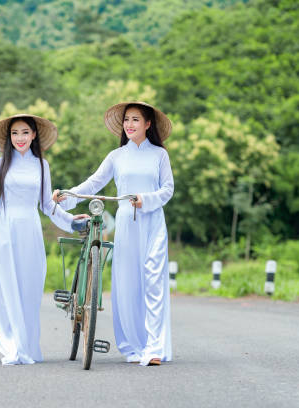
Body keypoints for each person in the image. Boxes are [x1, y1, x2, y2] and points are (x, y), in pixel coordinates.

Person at [53, 102, 174, 366]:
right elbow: (94, 183)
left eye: (136, 119)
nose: (129, 124)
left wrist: (146, 199)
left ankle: (154, 347)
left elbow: (168, 190)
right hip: (126, 224)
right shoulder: (116, 156)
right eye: (127, 120)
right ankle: (132, 346)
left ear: (148, 124)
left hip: (152, 222)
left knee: (153, 282)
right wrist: (65, 198)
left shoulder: (159, 155)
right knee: (127, 284)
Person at [0, 114, 86, 365]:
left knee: (29, 286)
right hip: (3, 227)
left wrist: (70, 221)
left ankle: (27, 344)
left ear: (34, 135)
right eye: (14, 133)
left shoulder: (41, 166)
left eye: (25, 132)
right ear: (9, 138)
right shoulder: (2, 163)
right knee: (6, 287)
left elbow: (46, 204)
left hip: (30, 229)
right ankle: (12, 346)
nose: (20, 138)